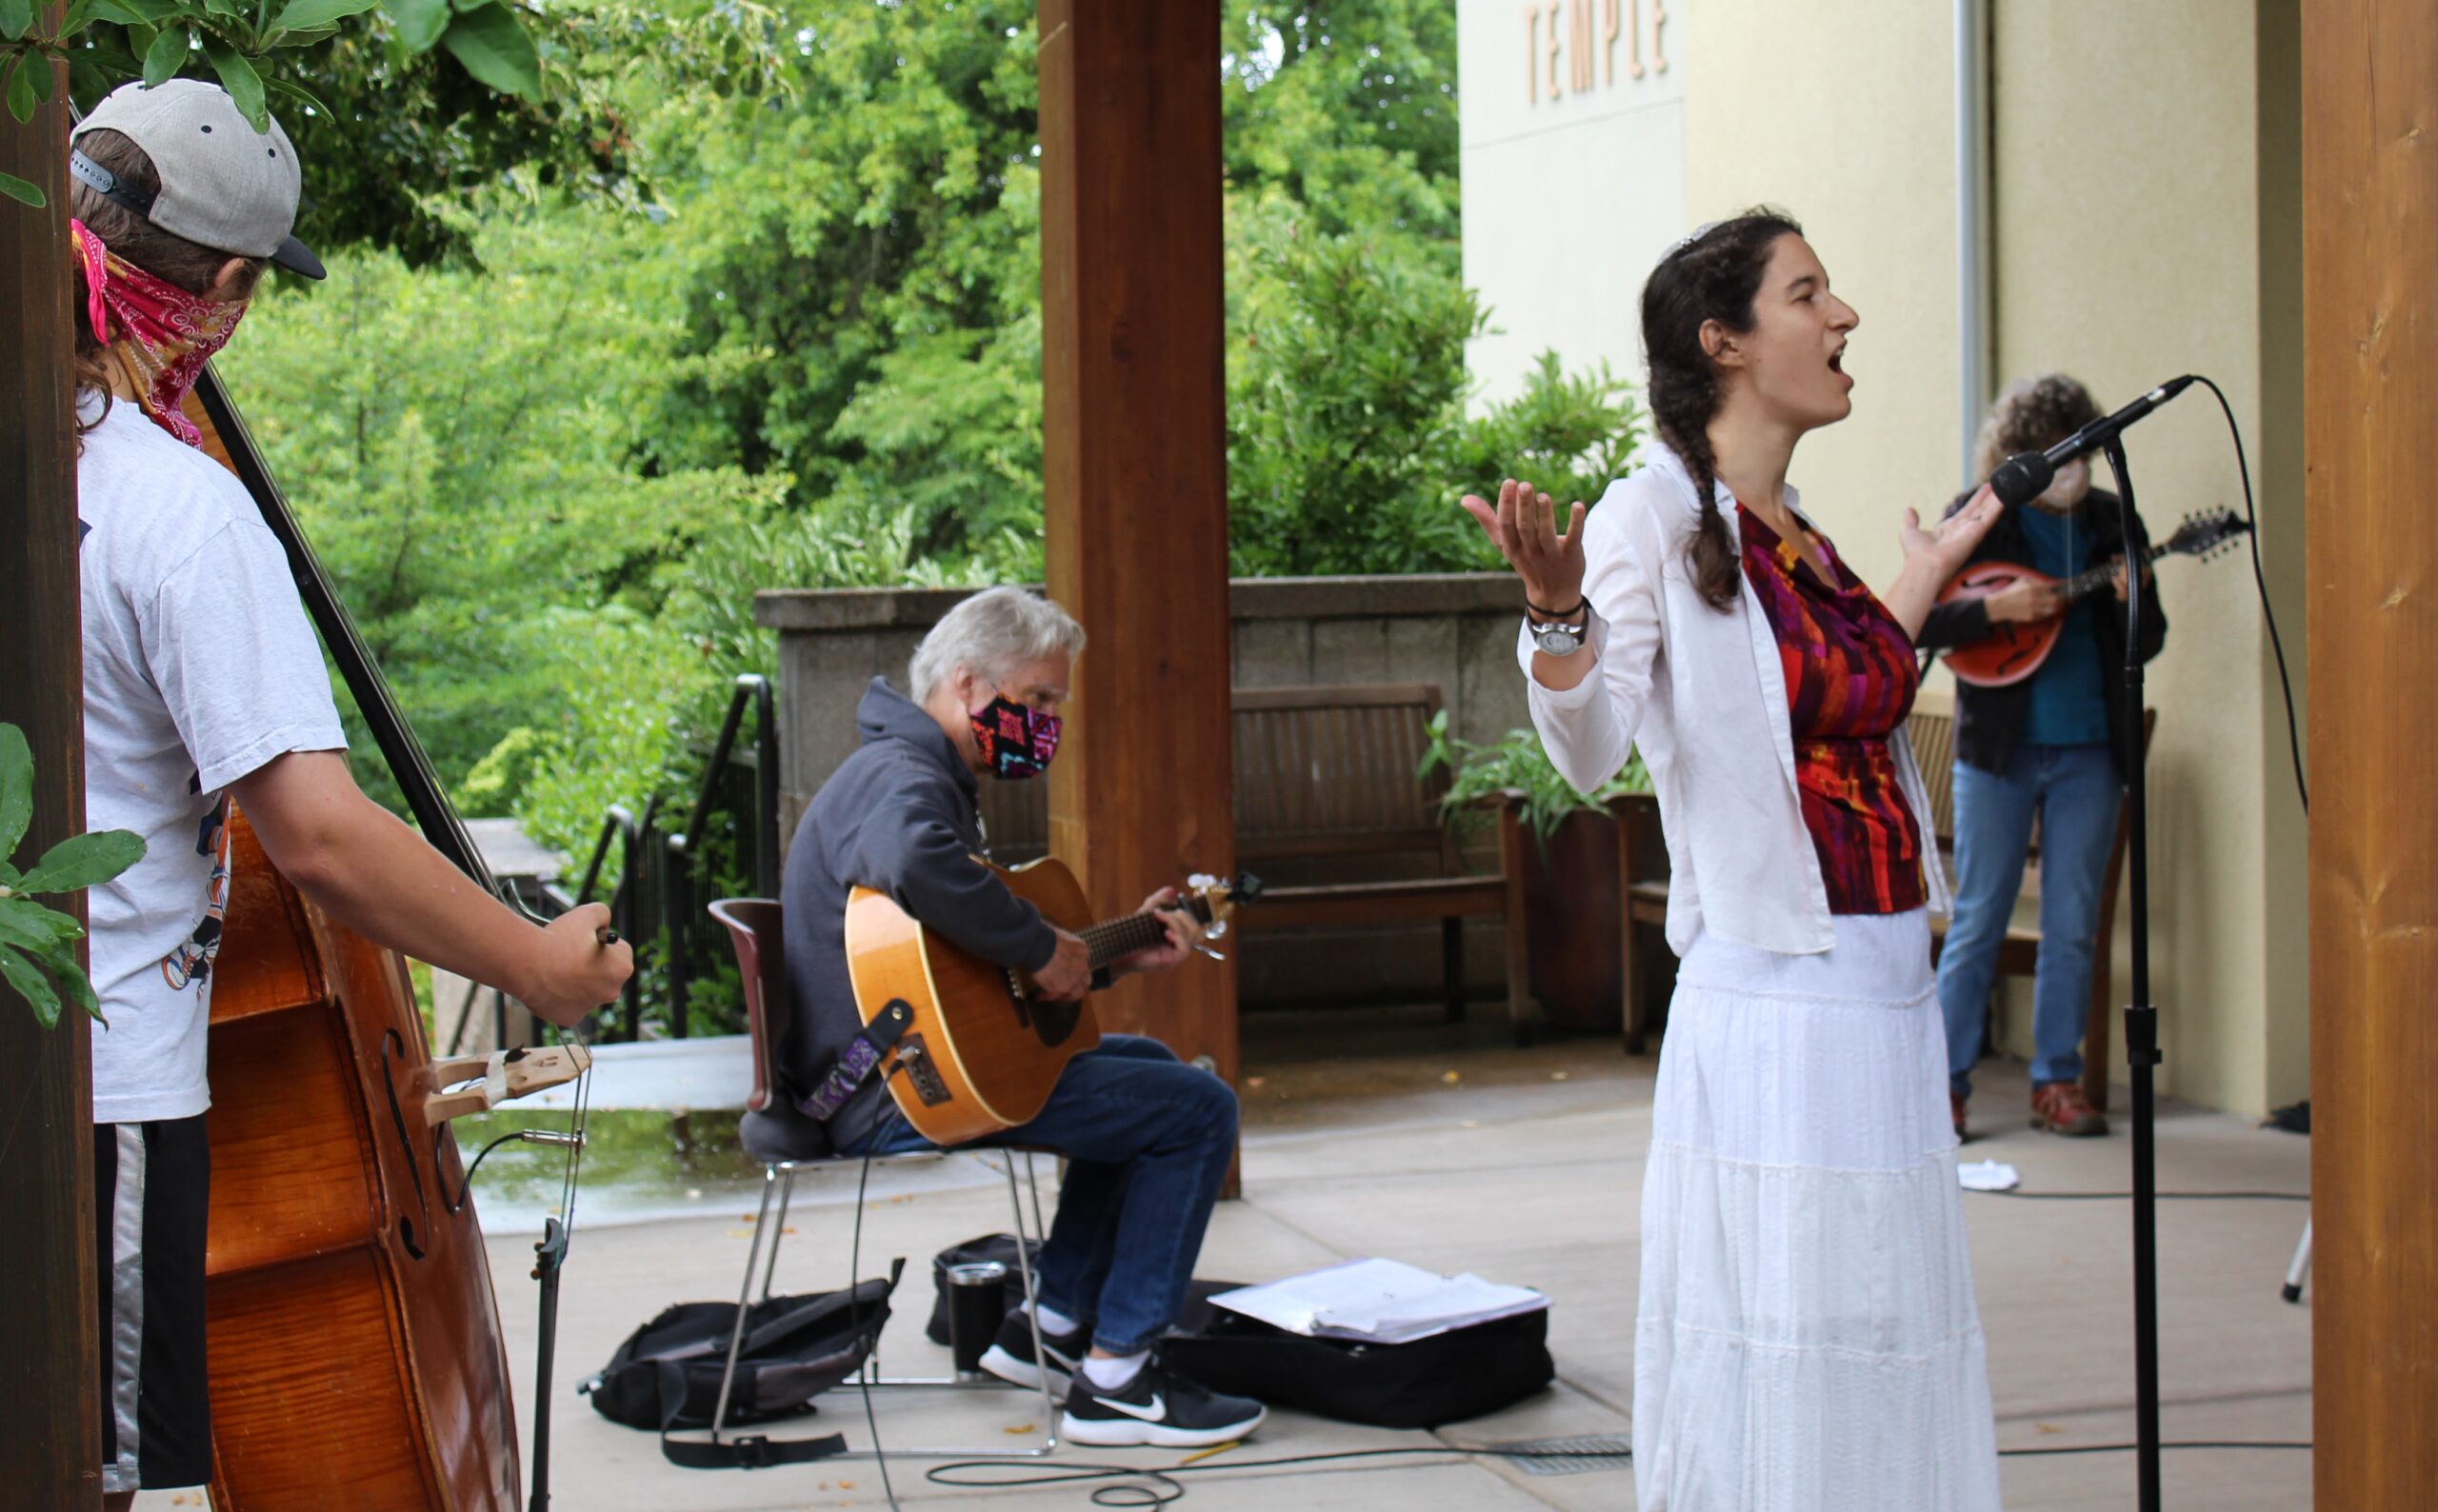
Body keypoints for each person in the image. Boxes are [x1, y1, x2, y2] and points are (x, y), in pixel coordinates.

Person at [70, 81, 632, 1509]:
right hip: (105, 1092)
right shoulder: (173, 508)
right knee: (89, 1481)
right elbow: (313, 833)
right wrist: (533, 965)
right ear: (234, 288)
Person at [1462, 209, 2006, 1509]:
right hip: (1778, 1001)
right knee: (1789, 1323)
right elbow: (1591, 746)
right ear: (1726, 343)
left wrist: (1918, 582)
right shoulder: (1649, 518)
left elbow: (1834, 707)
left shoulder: (1799, 534)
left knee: (1878, 1316)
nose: (1844, 316)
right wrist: (1553, 615)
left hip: (1881, 984)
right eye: (1809, 293)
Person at [779, 586, 1263, 1450]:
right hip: (888, 1092)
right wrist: (1042, 947)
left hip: (903, 1068)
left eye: (1055, 706)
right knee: (1200, 1109)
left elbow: (958, 981)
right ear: (967, 686)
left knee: (1150, 1068)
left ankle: (1052, 1330)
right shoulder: (902, 781)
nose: (1046, 722)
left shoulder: (913, 772)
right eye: (1037, 700)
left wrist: (1108, 953)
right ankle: (1118, 1383)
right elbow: (914, 863)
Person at [1917, 374, 2168, 1141]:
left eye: (2084, 452)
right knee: (1980, 915)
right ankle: (1945, 1086)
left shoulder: (2112, 519)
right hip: (2000, 753)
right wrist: (1996, 608)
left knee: (2073, 921)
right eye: (2058, 455)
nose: (2074, 470)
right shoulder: (1980, 514)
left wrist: (2133, 600)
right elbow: (1922, 617)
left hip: (2091, 751)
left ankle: (2056, 1080)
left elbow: (2149, 640)